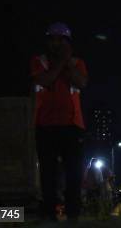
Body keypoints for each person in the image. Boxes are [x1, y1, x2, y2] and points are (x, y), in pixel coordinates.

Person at [31, 23, 88, 222]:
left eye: (61, 40)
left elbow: (81, 82)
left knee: (74, 172)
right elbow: (45, 80)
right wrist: (62, 62)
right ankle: (49, 213)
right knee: (49, 172)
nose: (57, 43)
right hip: (46, 125)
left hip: (72, 126)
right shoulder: (39, 61)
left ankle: (73, 214)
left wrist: (66, 63)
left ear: (68, 43)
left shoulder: (77, 63)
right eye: (53, 39)